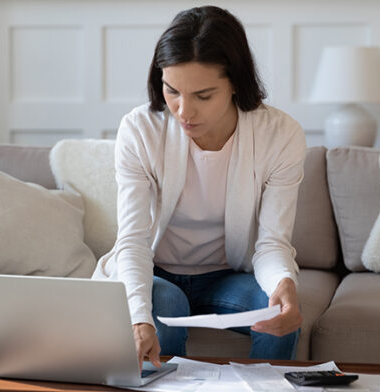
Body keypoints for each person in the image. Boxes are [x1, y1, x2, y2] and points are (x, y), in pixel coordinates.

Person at [92, 5, 306, 368]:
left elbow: (271, 243)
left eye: (203, 96)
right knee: (169, 303)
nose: (183, 111)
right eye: (172, 91)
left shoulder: (280, 135)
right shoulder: (140, 130)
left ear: (236, 82)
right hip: (155, 273)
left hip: (226, 277)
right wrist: (138, 316)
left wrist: (283, 282)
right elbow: (132, 241)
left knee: (278, 318)